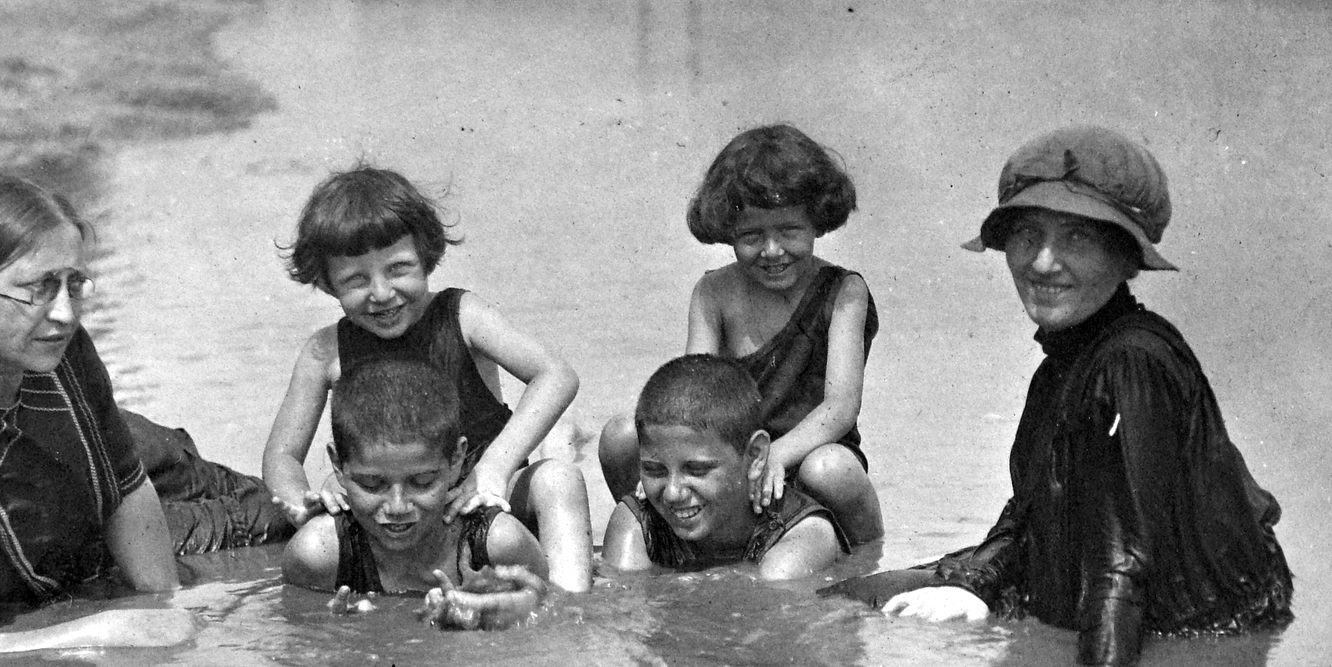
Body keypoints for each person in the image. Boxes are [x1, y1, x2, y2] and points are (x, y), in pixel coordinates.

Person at [858, 125, 1293, 667]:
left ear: (1127, 258)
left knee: (863, 613)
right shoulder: (1064, 364)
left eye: (1077, 239)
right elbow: (1032, 511)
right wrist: (973, 584)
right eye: (1027, 235)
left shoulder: (1129, 362)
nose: (1042, 263)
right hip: (1079, 586)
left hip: (1188, 626)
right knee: (852, 600)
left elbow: (1123, 566)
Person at [0, 175, 290, 655]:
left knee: (282, 511)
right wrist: (102, 631)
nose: (66, 314)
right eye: (39, 287)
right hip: (17, 544)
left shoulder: (50, 344)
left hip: (73, 502)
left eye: (74, 284)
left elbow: (126, 486)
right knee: (277, 524)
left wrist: (165, 607)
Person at [262, 165, 593, 592]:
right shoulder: (325, 351)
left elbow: (556, 375)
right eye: (356, 280)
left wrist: (493, 468)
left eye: (398, 269)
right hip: (394, 507)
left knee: (558, 479)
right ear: (327, 284)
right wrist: (304, 503)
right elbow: (282, 455)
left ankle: (570, 604)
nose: (381, 293)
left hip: (484, 495)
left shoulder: (462, 316)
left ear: (427, 257)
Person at [597, 124, 883, 545]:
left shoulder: (845, 292)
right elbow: (693, 396)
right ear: (728, 232)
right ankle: (671, 536)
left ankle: (863, 554)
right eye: (752, 236)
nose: (771, 251)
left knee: (830, 470)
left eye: (788, 231)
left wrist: (776, 457)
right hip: (728, 456)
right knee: (622, 436)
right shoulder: (713, 292)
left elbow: (839, 410)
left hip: (806, 456)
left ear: (817, 223)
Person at [280, 356, 547, 630]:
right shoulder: (318, 554)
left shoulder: (497, 545)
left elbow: (556, 613)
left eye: (422, 482)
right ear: (337, 465)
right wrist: (338, 635)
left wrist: (504, 618)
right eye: (372, 484)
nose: (397, 507)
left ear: (456, 459)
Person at [601, 355, 847, 580]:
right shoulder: (638, 523)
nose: (673, 493)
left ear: (755, 456)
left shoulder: (801, 540)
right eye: (655, 471)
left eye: (696, 470)